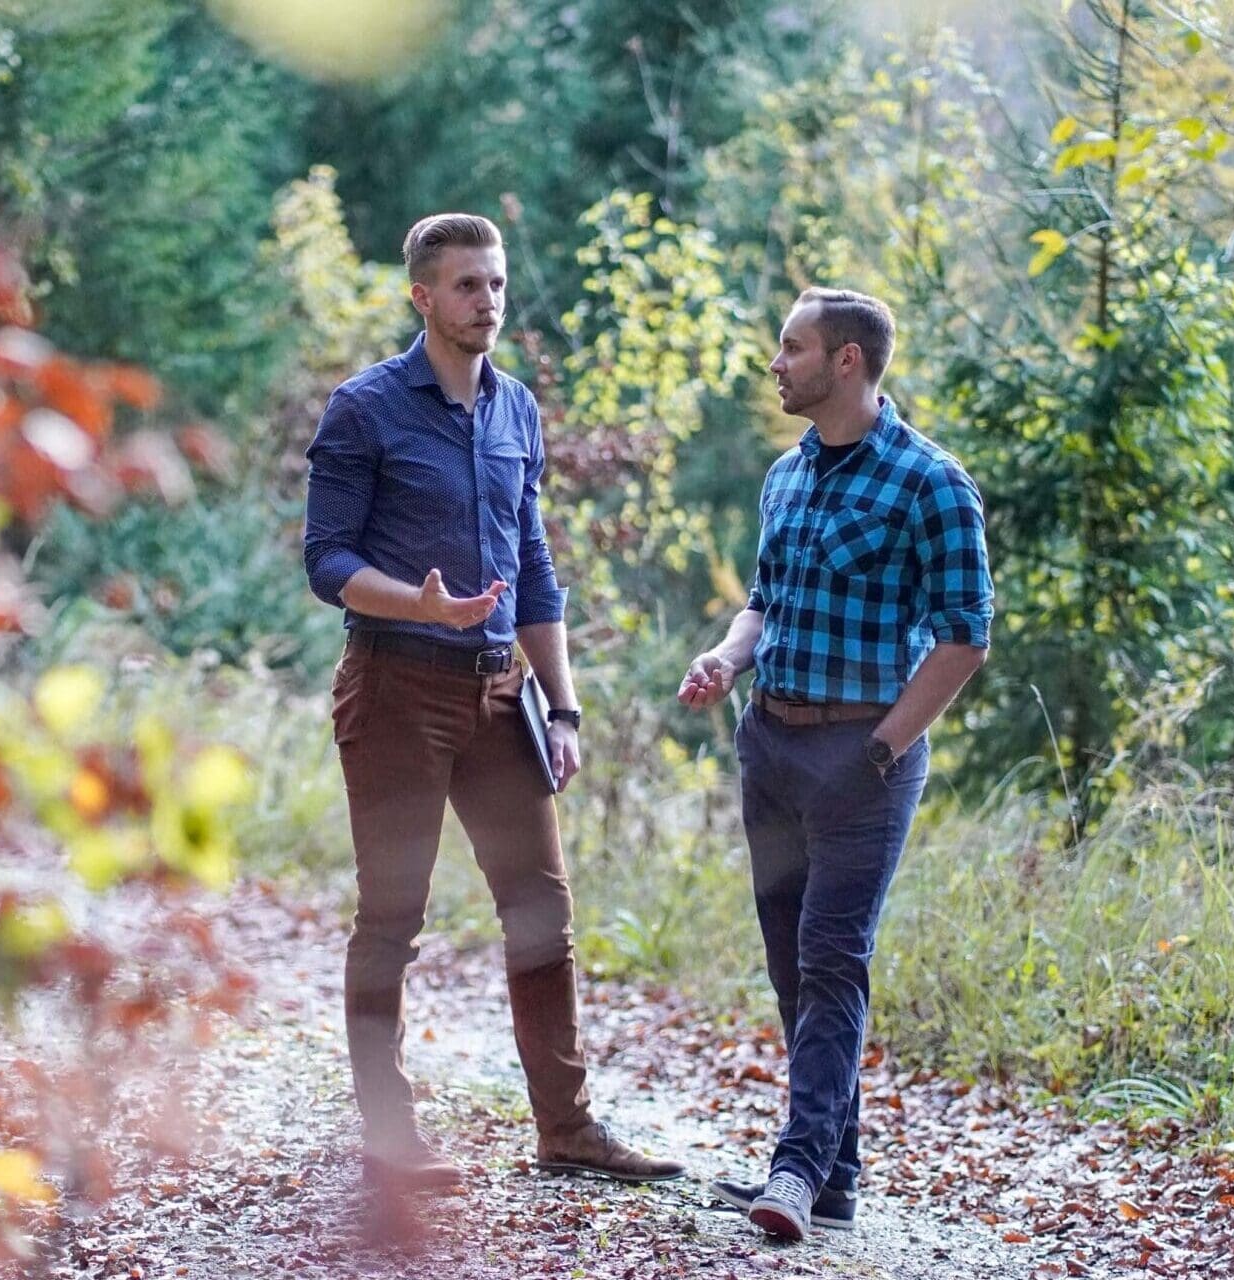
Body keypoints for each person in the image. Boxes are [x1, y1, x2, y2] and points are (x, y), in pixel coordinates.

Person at [302, 212, 685, 1192]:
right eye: (468, 285)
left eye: (498, 284)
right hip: (394, 689)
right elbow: (327, 561)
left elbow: (537, 571)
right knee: (393, 914)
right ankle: (389, 1135)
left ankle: (567, 1127)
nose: (488, 303)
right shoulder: (365, 408)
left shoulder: (516, 410)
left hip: (500, 694)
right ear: (422, 296)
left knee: (541, 911)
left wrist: (563, 708)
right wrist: (414, 599)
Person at [678, 287, 993, 1241]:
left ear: (846, 361)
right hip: (769, 742)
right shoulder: (787, 475)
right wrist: (728, 658)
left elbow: (965, 637)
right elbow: (764, 600)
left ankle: (795, 1170)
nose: (775, 363)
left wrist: (884, 747)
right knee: (792, 966)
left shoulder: (930, 483)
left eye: (792, 347)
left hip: (863, 759)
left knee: (832, 961)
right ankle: (836, 1179)